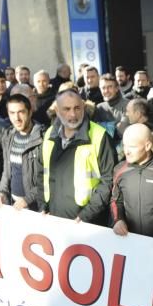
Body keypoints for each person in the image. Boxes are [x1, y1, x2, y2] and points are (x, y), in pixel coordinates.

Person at [42, 90, 116, 223]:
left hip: (87, 222)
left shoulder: (99, 136)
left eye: (77, 108)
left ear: (84, 107)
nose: (73, 114)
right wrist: (42, 206)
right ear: (57, 111)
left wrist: (86, 215)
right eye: (67, 109)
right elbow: (41, 173)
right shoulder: (49, 135)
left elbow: (108, 180)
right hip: (53, 218)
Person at [112, 124, 153, 239]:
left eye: (132, 147)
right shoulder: (120, 169)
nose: (126, 151)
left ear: (148, 145)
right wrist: (118, 220)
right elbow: (116, 200)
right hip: (130, 240)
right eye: (124, 146)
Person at [0, 94, 45, 212]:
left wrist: (27, 199)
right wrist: (1, 192)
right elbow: (7, 172)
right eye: (12, 113)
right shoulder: (8, 136)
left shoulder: (44, 138)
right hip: (13, 205)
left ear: (30, 112)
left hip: (36, 208)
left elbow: (50, 177)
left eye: (21, 112)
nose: (16, 118)